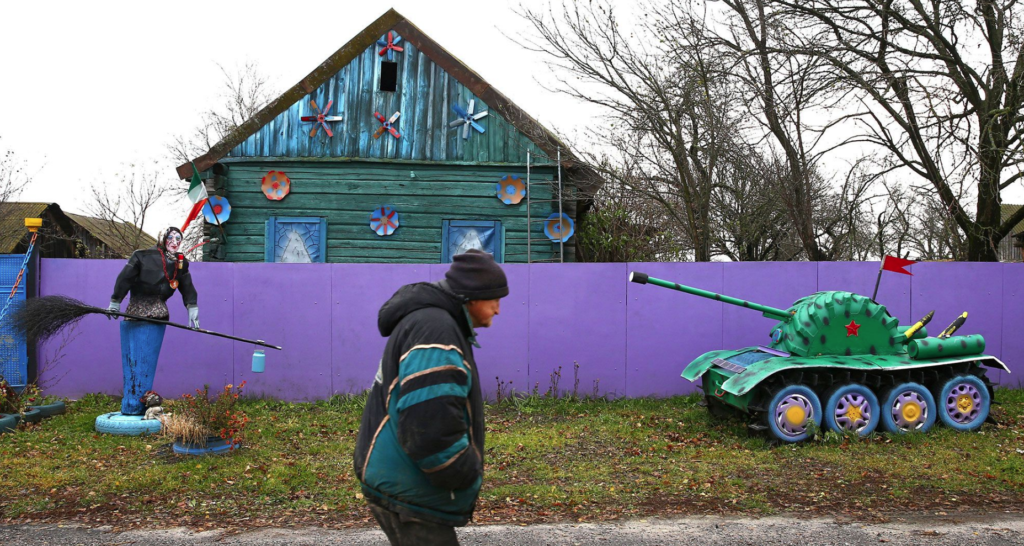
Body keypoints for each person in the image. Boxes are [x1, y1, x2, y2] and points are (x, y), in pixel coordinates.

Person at [354, 249, 508, 546]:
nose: (498, 310)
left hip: (399, 477)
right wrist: (461, 470)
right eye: (495, 300)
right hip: (411, 489)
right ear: (472, 297)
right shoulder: (436, 331)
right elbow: (428, 425)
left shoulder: (433, 322)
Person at [107, 227, 199, 416]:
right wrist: (115, 301)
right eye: (171, 238)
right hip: (136, 312)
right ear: (162, 238)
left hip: (159, 314)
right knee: (133, 359)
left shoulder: (180, 263)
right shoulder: (142, 256)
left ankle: (138, 402)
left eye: (178, 238)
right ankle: (132, 403)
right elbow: (124, 278)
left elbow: (187, 285)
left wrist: (192, 306)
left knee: (146, 360)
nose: (175, 241)